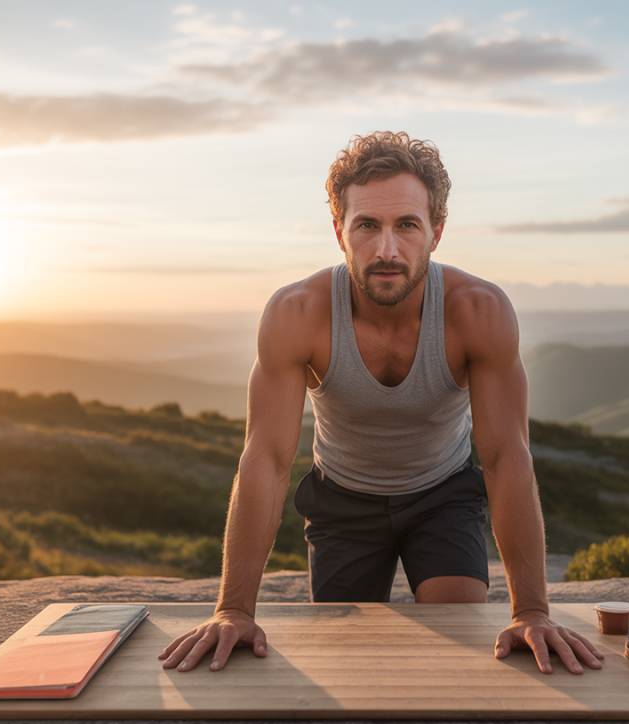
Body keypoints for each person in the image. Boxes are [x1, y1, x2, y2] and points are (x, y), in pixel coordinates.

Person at [159, 131, 604, 676]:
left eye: (407, 226)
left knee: (460, 646)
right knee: (347, 661)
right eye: (367, 225)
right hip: (343, 502)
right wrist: (232, 609)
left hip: (442, 495)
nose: (386, 250)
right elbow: (267, 458)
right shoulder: (297, 313)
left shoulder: (478, 312)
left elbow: (507, 457)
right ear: (339, 231)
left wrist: (532, 611)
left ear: (436, 232)